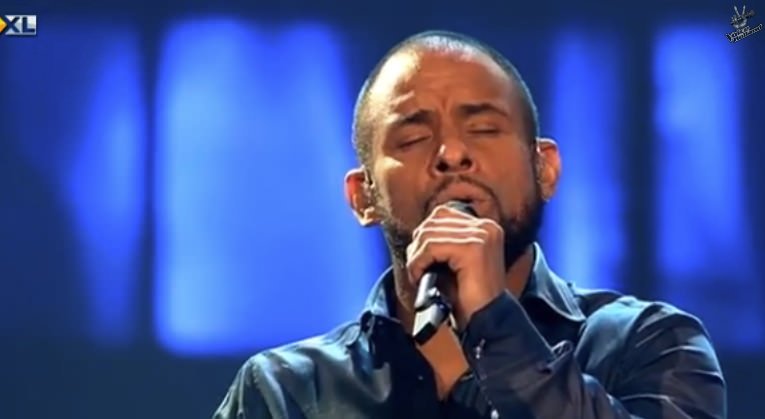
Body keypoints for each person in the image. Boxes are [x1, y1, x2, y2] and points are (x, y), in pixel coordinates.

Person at [212, 30, 726, 418]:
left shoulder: (650, 345)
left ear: (544, 170)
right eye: (413, 139)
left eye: (483, 129)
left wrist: (493, 321)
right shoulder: (285, 392)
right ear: (362, 197)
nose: (452, 153)